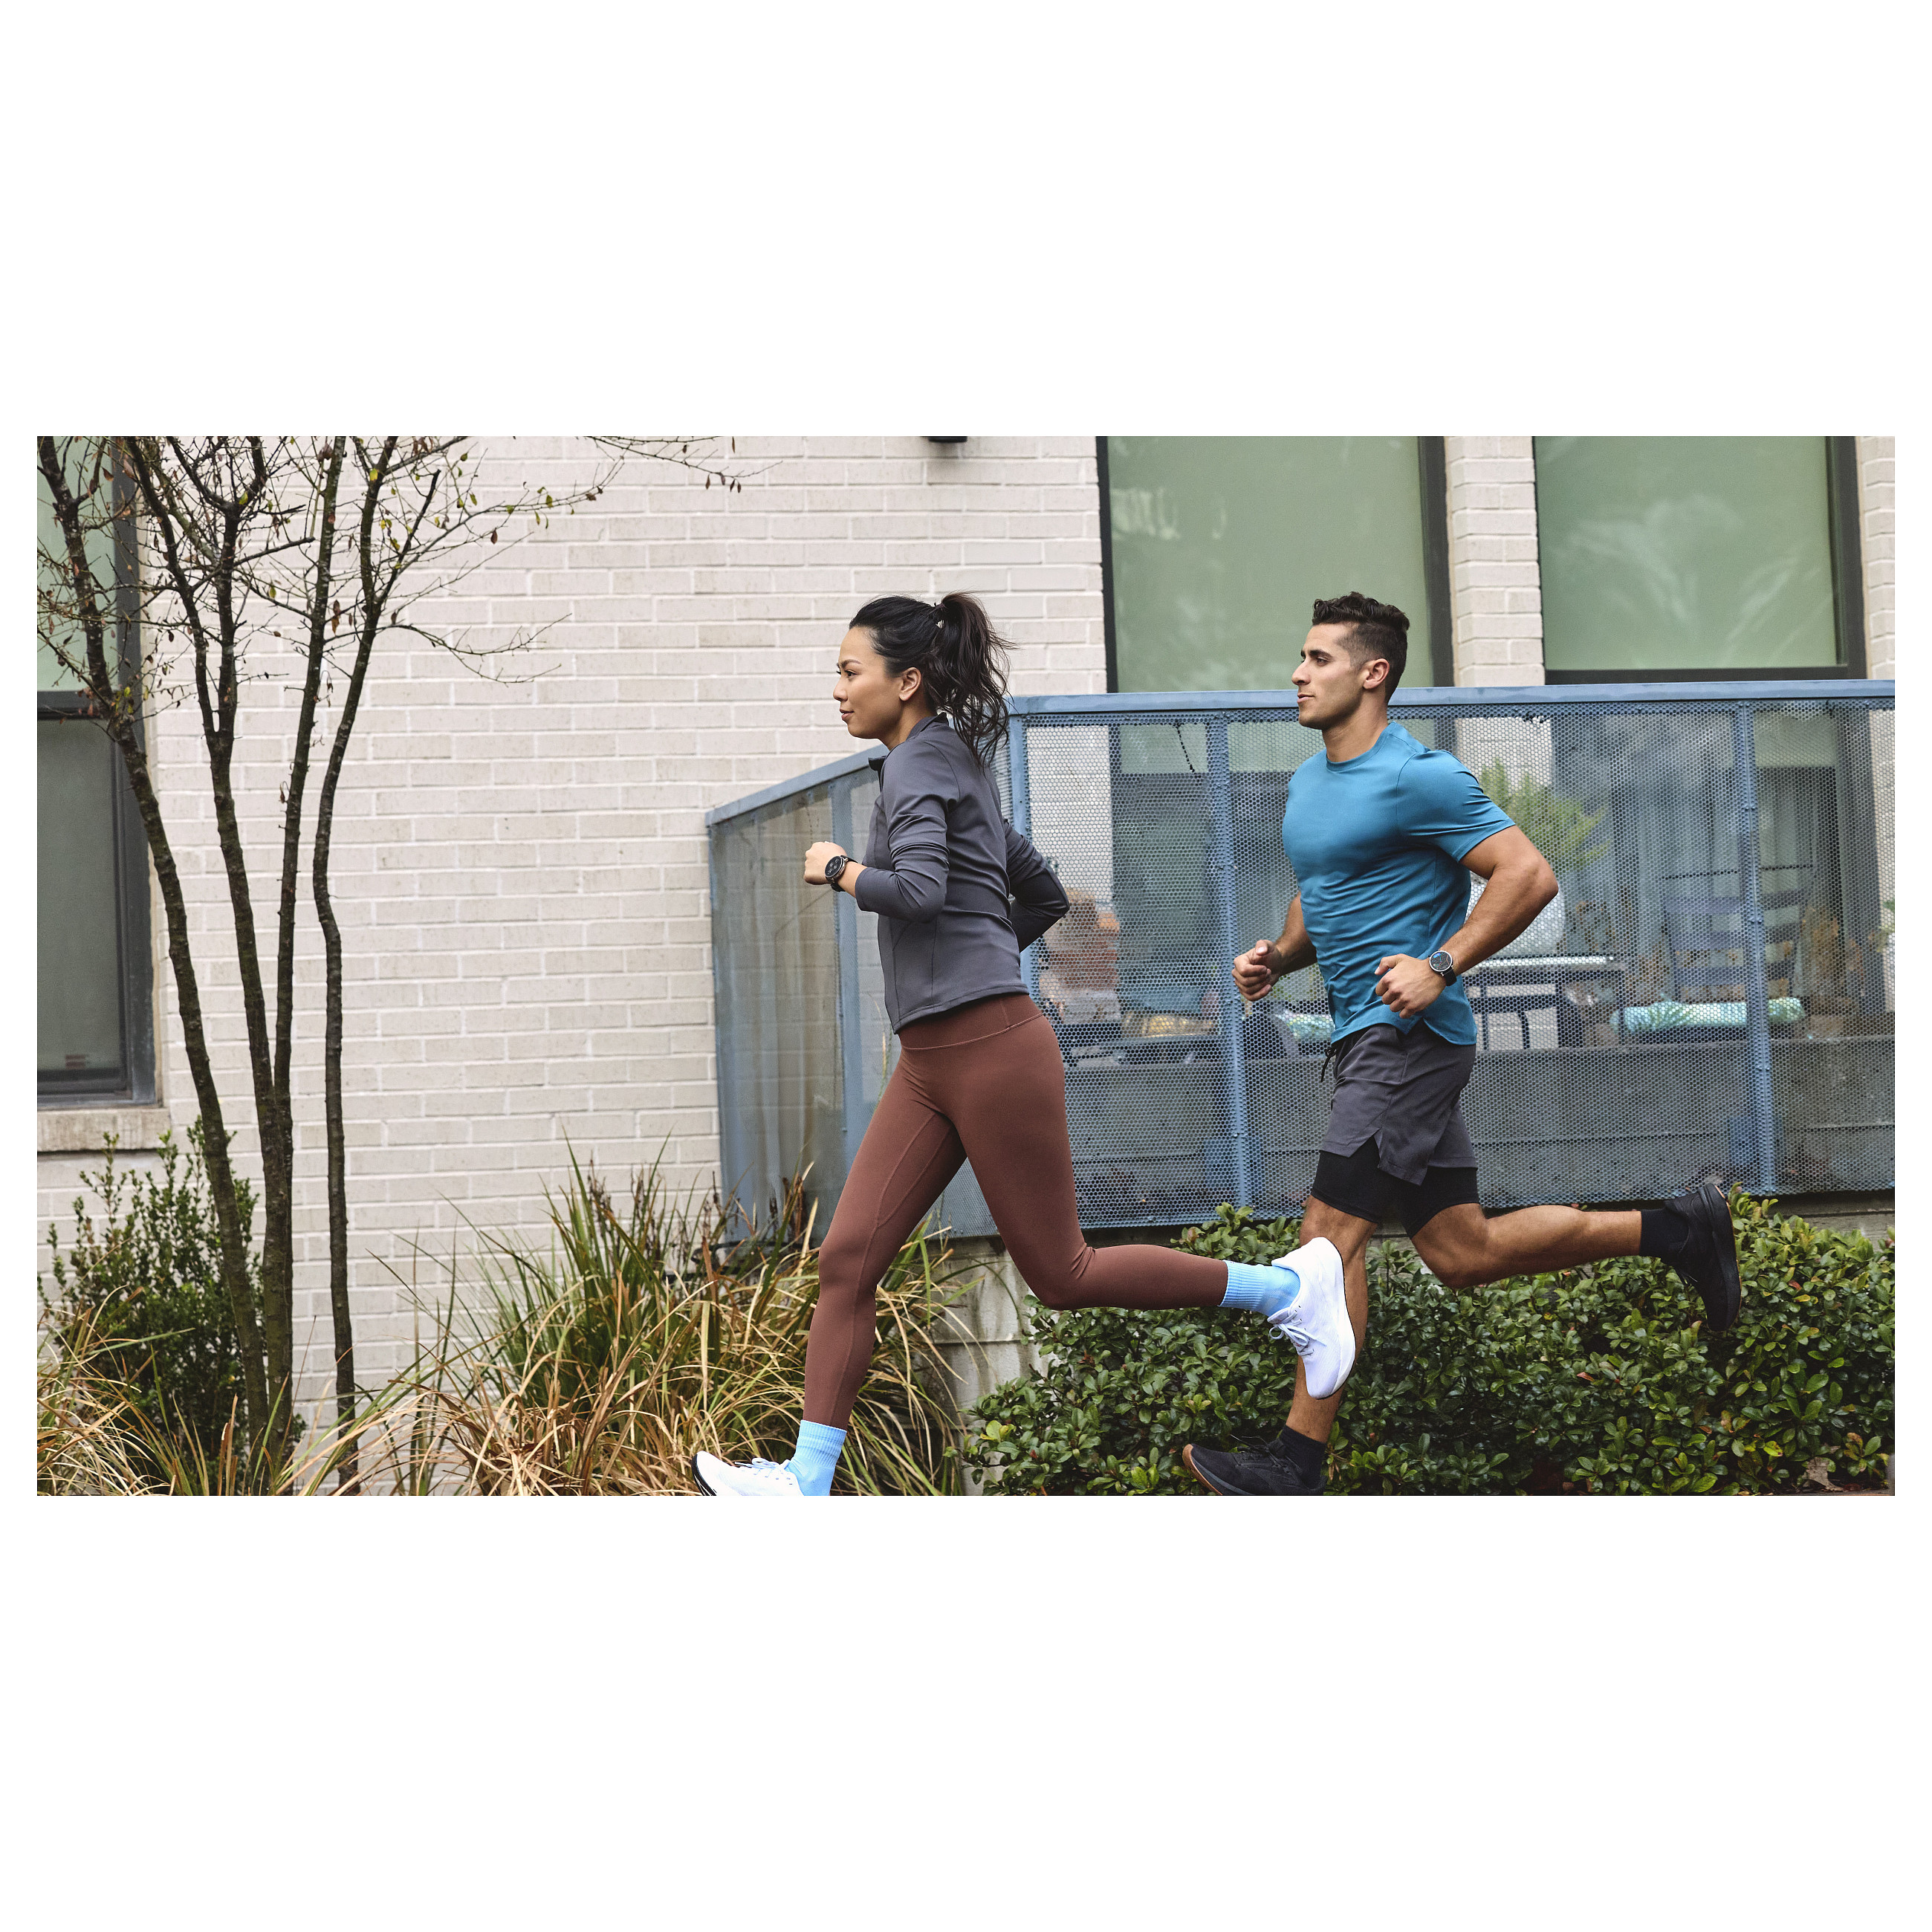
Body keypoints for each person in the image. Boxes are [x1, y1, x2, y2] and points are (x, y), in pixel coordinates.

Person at [694, 592, 1355, 1497]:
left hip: (985, 1049)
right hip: (937, 1055)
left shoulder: (918, 768)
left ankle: (1286, 1291)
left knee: (1062, 1271)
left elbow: (920, 891)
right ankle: (804, 1482)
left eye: (850, 672)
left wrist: (841, 868)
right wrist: (974, 959)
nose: (838, 690)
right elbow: (1039, 892)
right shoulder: (948, 764)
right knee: (848, 1257)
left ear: (907, 680)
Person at [1181, 591, 1743, 1496]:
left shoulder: (1420, 776)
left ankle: (1295, 1459)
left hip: (1406, 1040)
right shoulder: (1309, 783)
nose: (1296, 673)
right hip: (1368, 1038)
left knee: (1324, 1241)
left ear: (1372, 672)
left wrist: (1440, 964)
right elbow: (1323, 891)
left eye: (1317, 658)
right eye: (1301, 656)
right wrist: (1277, 958)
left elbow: (1528, 873)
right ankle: (1678, 1228)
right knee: (1460, 1252)